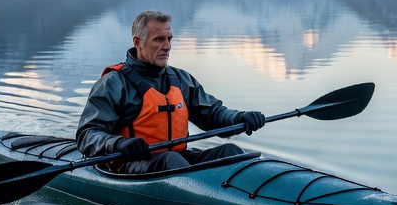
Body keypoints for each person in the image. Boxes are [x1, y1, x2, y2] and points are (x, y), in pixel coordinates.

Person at [77, 10, 265, 174]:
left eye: (169, 39)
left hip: (177, 160)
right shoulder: (114, 83)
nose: (167, 46)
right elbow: (87, 134)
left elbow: (213, 114)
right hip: (130, 165)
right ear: (138, 42)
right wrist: (117, 144)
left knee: (229, 152)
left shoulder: (181, 80)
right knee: (171, 161)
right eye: (159, 39)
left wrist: (240, 118)